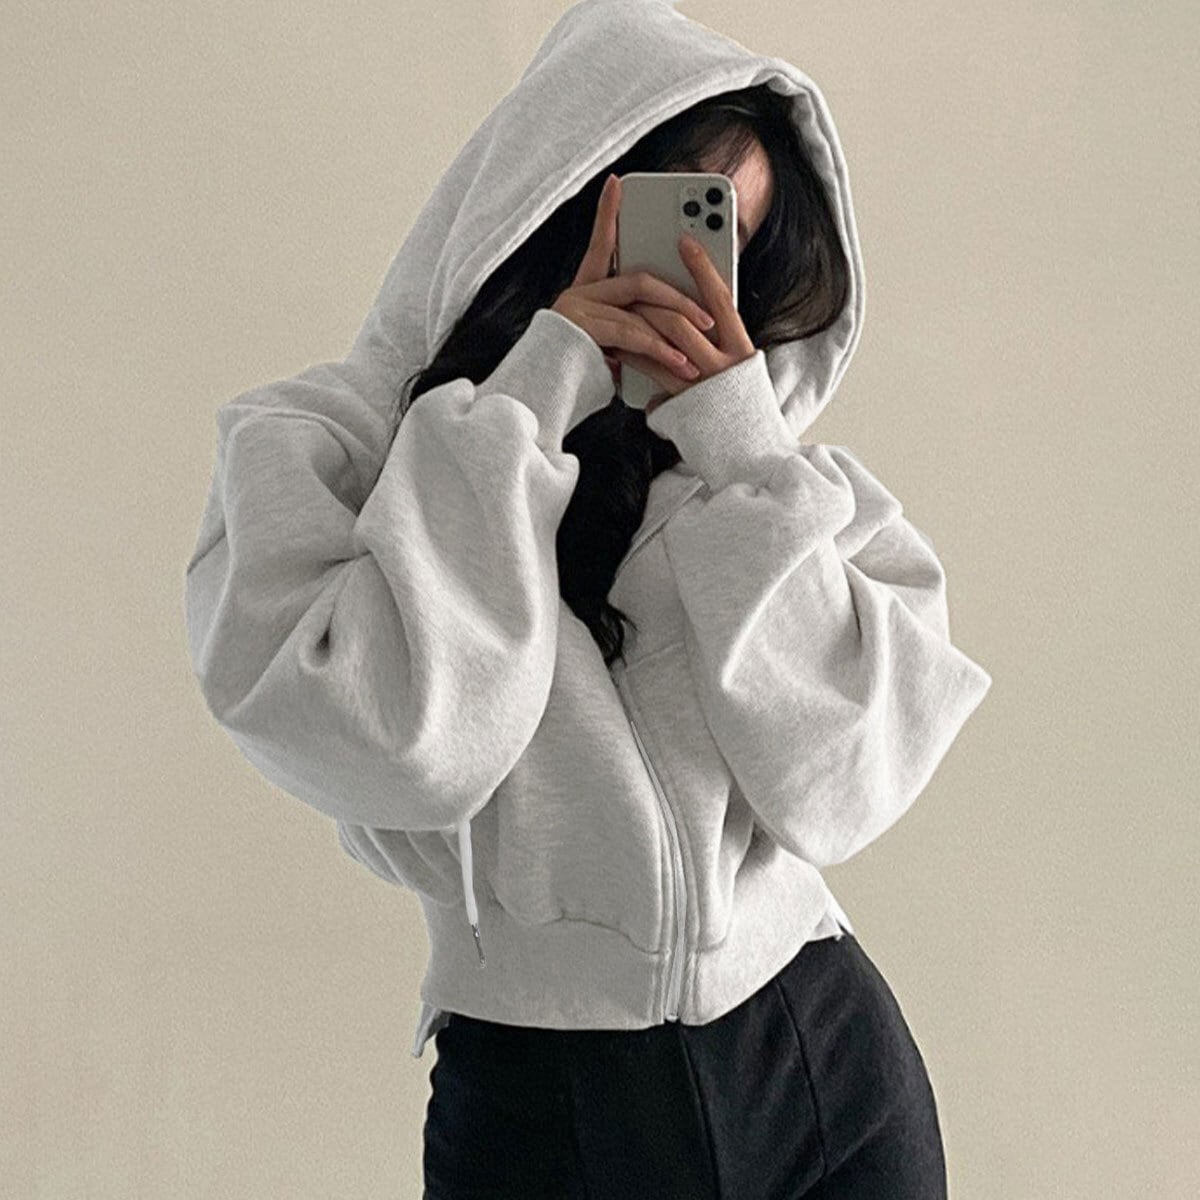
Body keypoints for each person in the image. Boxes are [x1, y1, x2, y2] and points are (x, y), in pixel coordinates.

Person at [182, 1, 993, 1196]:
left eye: (731, 245)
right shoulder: (321, 453)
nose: (692, 278)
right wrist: (532, 391)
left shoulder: (768, 478)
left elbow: (842, 783)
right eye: (671, 219)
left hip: (822, 1067)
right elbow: (402, 743)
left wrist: (738, 448)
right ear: (559, 196)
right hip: (546, 1106)